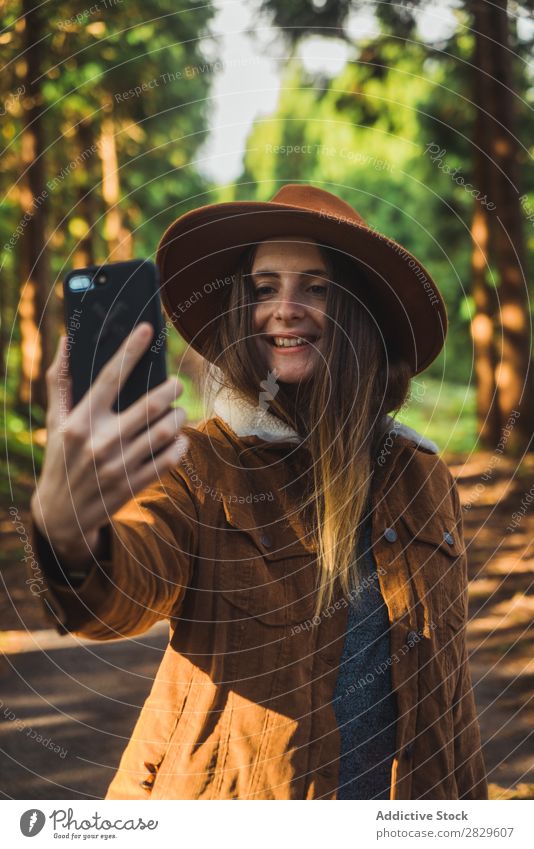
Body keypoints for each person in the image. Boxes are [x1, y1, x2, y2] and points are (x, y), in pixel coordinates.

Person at [30, 184, 488, 800]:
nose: (285, 308)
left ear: (359, 311)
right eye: (263, 288)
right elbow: (119, 594)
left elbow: (451, 704)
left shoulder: (424, 479)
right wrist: (69, 532)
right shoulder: (200, 465)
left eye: (316, 287)